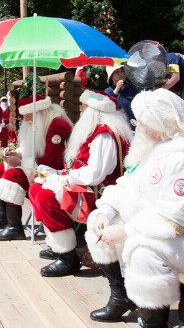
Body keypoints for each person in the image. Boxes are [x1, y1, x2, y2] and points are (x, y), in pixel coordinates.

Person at [85, 89, 184, 327]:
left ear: (158, 127)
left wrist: (125, 231)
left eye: (140, 122)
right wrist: (107, 210)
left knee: (142, 249)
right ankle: (121, 296)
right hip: (175, 233)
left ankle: (154, 322)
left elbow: (172, 220)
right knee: (97, 224)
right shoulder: (160, 149)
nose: (137, 127)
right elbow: (128, 186)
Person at [29, 90, 132, 277]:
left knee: (46, 195)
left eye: (84, 107)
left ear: (94, 110)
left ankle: (68, 258)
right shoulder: (94, 133)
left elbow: (95, 174)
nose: (81, 111)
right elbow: (79, 168)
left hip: (101, 195)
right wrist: (56, 173)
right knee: (37, 187)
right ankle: (59, 247)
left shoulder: (104, 135)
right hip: (87, 187)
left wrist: (61, 179)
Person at [0, 96, 73, 241]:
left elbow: (53, 161)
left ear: (40, 112)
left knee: (13, 175)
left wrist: (20, 160)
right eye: (25, 117)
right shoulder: (39, 122)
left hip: (54, 172)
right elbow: (28, 148)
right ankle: (2, 216)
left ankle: (14, 227)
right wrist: (15, 153)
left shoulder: (57, 125)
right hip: (37, 167)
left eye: (29, 116)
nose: (27, 120)